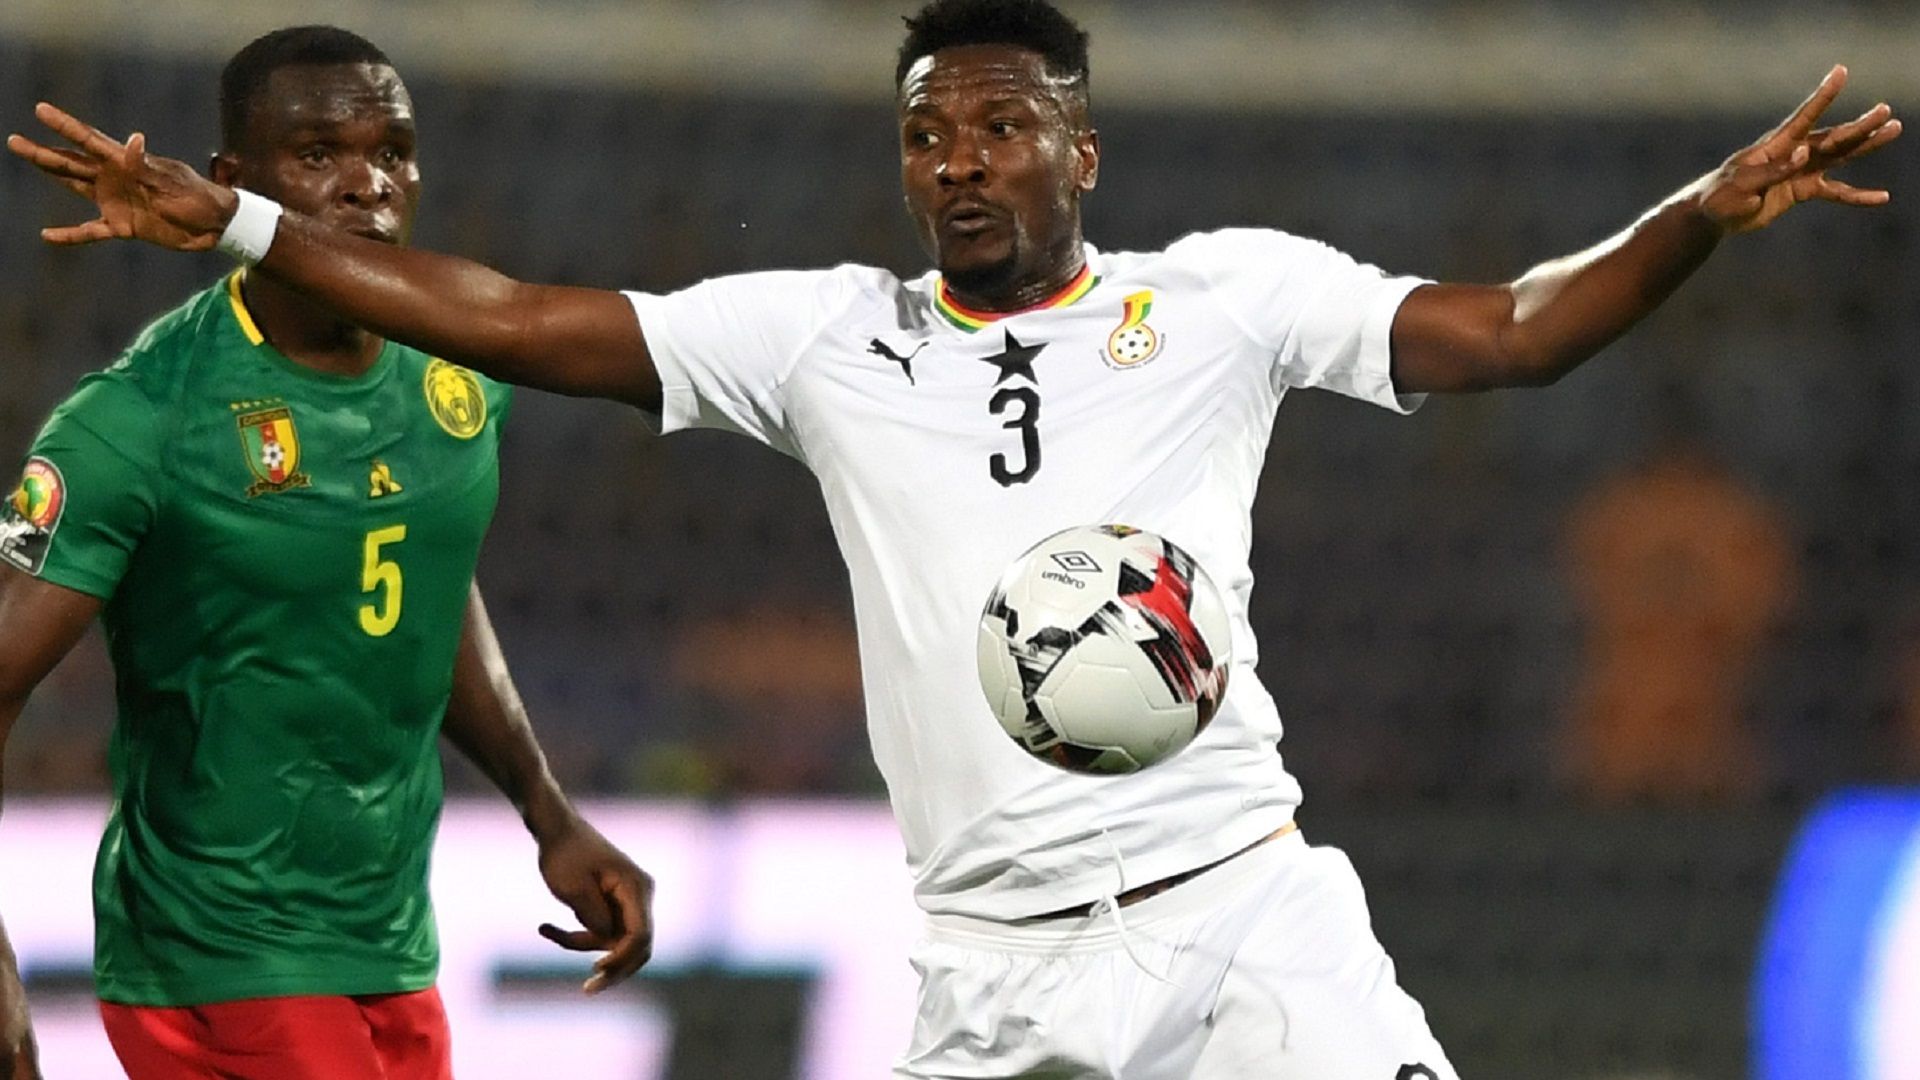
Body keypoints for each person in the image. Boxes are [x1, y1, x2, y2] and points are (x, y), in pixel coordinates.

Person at [7, 0, 1899, 1075]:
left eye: (1000, 128)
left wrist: (1699, 214)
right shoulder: (830, 338)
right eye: (929, 137)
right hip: (992, 966)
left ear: (1083, 150)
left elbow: (1513, 332)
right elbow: (518, 322)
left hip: (1242, 909)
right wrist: (240, 231)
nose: (960, 163)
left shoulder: (1226, 299)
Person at [0, 26, 654, 1080]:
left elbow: (420, 580)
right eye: (317, 156)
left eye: (392, 150)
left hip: (389, 942)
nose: (367, 185)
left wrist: (549, 812)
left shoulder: (457, 371)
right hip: (214, 956)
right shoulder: (137, 421)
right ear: (228, 182)